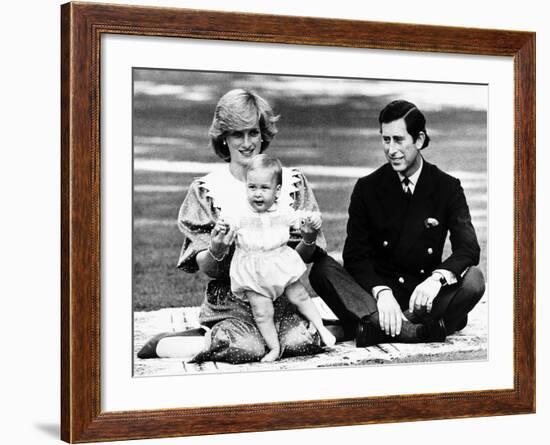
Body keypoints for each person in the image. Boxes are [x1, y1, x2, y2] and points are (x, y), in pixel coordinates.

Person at [138, 89, 328, 363]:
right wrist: (216, 249)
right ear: (223, 139)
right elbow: (208, 269)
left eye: (253, 132)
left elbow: (295, 260)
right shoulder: (207, 191)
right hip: (231, 300)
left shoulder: (289, 183)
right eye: (237, 134)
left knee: (300, 342)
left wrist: (308, 239)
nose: (247, 142)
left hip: (280, 295)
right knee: (249, 348)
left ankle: (307, 329)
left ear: (263, 133)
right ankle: (176, 342)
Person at [310, 99, 485, 347]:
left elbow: (468, 248)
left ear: (420, 140)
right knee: (321, 269)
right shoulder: (367, 188)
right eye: (385, 139)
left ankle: (366, 326)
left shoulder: (447, 187)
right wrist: (381, 292)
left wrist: (437, 279)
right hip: (378, 298)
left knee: (474, 280)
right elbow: (355, 256)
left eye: (399, 139)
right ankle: (413, 331)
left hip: (423, 300)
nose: (391, 149)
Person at [218, 154, 336, 362]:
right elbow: (230, 221)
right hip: (252, 271)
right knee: (263, 311)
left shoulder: (282, 210)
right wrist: (224, 226)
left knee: (300, 295)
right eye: (252, 187)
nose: (257, 194)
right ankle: (273, 347)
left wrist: (310, 221)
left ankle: (321, 328)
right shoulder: (240, 212)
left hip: (279, 262)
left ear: (277, 191)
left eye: (264, 188)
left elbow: (299, 219)